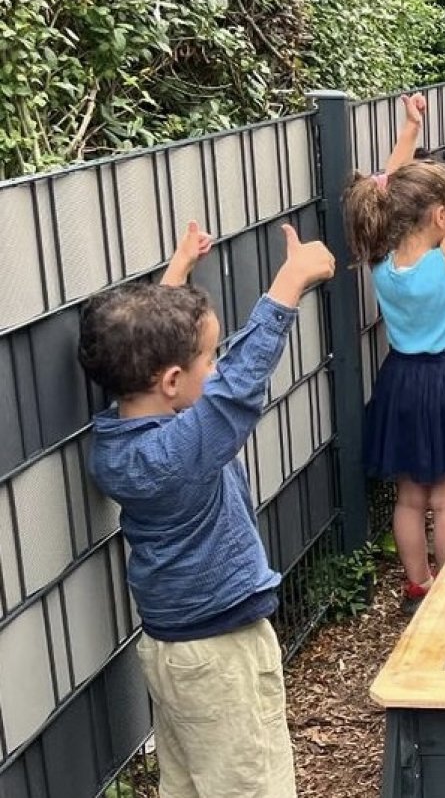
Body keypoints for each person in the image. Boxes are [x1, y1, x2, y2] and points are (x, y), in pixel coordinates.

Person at [80, 219, 336, 797]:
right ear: (171, 380)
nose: (216, 367)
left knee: (191, 784)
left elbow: (151, 367)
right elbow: (235, 391)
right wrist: (287, 286)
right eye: (208, 358)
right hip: (220, 652)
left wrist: (173, 281)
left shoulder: (118, 444)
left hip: (172, 648)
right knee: (249, 786)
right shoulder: (177, 453)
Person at [347, 85, 445, 612]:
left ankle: (418, 585)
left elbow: (388, 190)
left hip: (404, 380)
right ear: (439, 216)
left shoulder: (381, 260)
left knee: (411, 497)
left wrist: (410, 130)